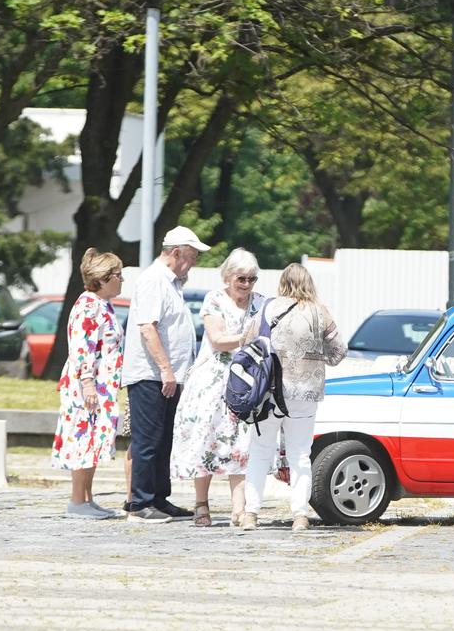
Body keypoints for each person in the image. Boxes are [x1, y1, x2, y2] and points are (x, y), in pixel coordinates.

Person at [240, 263, 346, 533]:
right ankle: (300, 515)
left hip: (269, 392)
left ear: (282, 282)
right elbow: (339, 352)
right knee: (300, 455)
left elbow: (246, 343)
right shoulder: (319, 312)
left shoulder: (267, 308)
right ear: (308, 283)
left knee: (261, 451)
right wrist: (314, 358)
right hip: (305, 394)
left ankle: (250, 513)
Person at [169, 248, 265, 527]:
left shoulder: (259, 302)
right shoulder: (215, 299)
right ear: (228, 277)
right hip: (214, 380)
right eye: (241, 279)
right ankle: (201, 504)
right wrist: (249, 337)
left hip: (248, 381)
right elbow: (218, 339)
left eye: (251, 279)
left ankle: (239, 508)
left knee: (242, 444)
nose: (246, 285)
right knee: (206, 440)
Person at [121, 226, 209, 522]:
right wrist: (166, 370)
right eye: (192, 255)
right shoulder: (153, 280)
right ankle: (140, 503)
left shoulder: (171, 283)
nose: (194, 262)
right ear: (176, 253)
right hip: (151, 375)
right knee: (148, 440)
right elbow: (148, 327)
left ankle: (158, 497)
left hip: (166, 376)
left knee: (163, 440)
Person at [52, 248, 125, 519]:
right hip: (88, 383)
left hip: (101, 383)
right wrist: (87, 382)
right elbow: (81, 346)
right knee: (82, 436)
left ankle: (87, 498)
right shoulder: (88, 304)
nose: (121, 280)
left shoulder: (103, 305)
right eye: (118, 274)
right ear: (103, 278)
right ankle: (76, 500)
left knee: (94, 438)